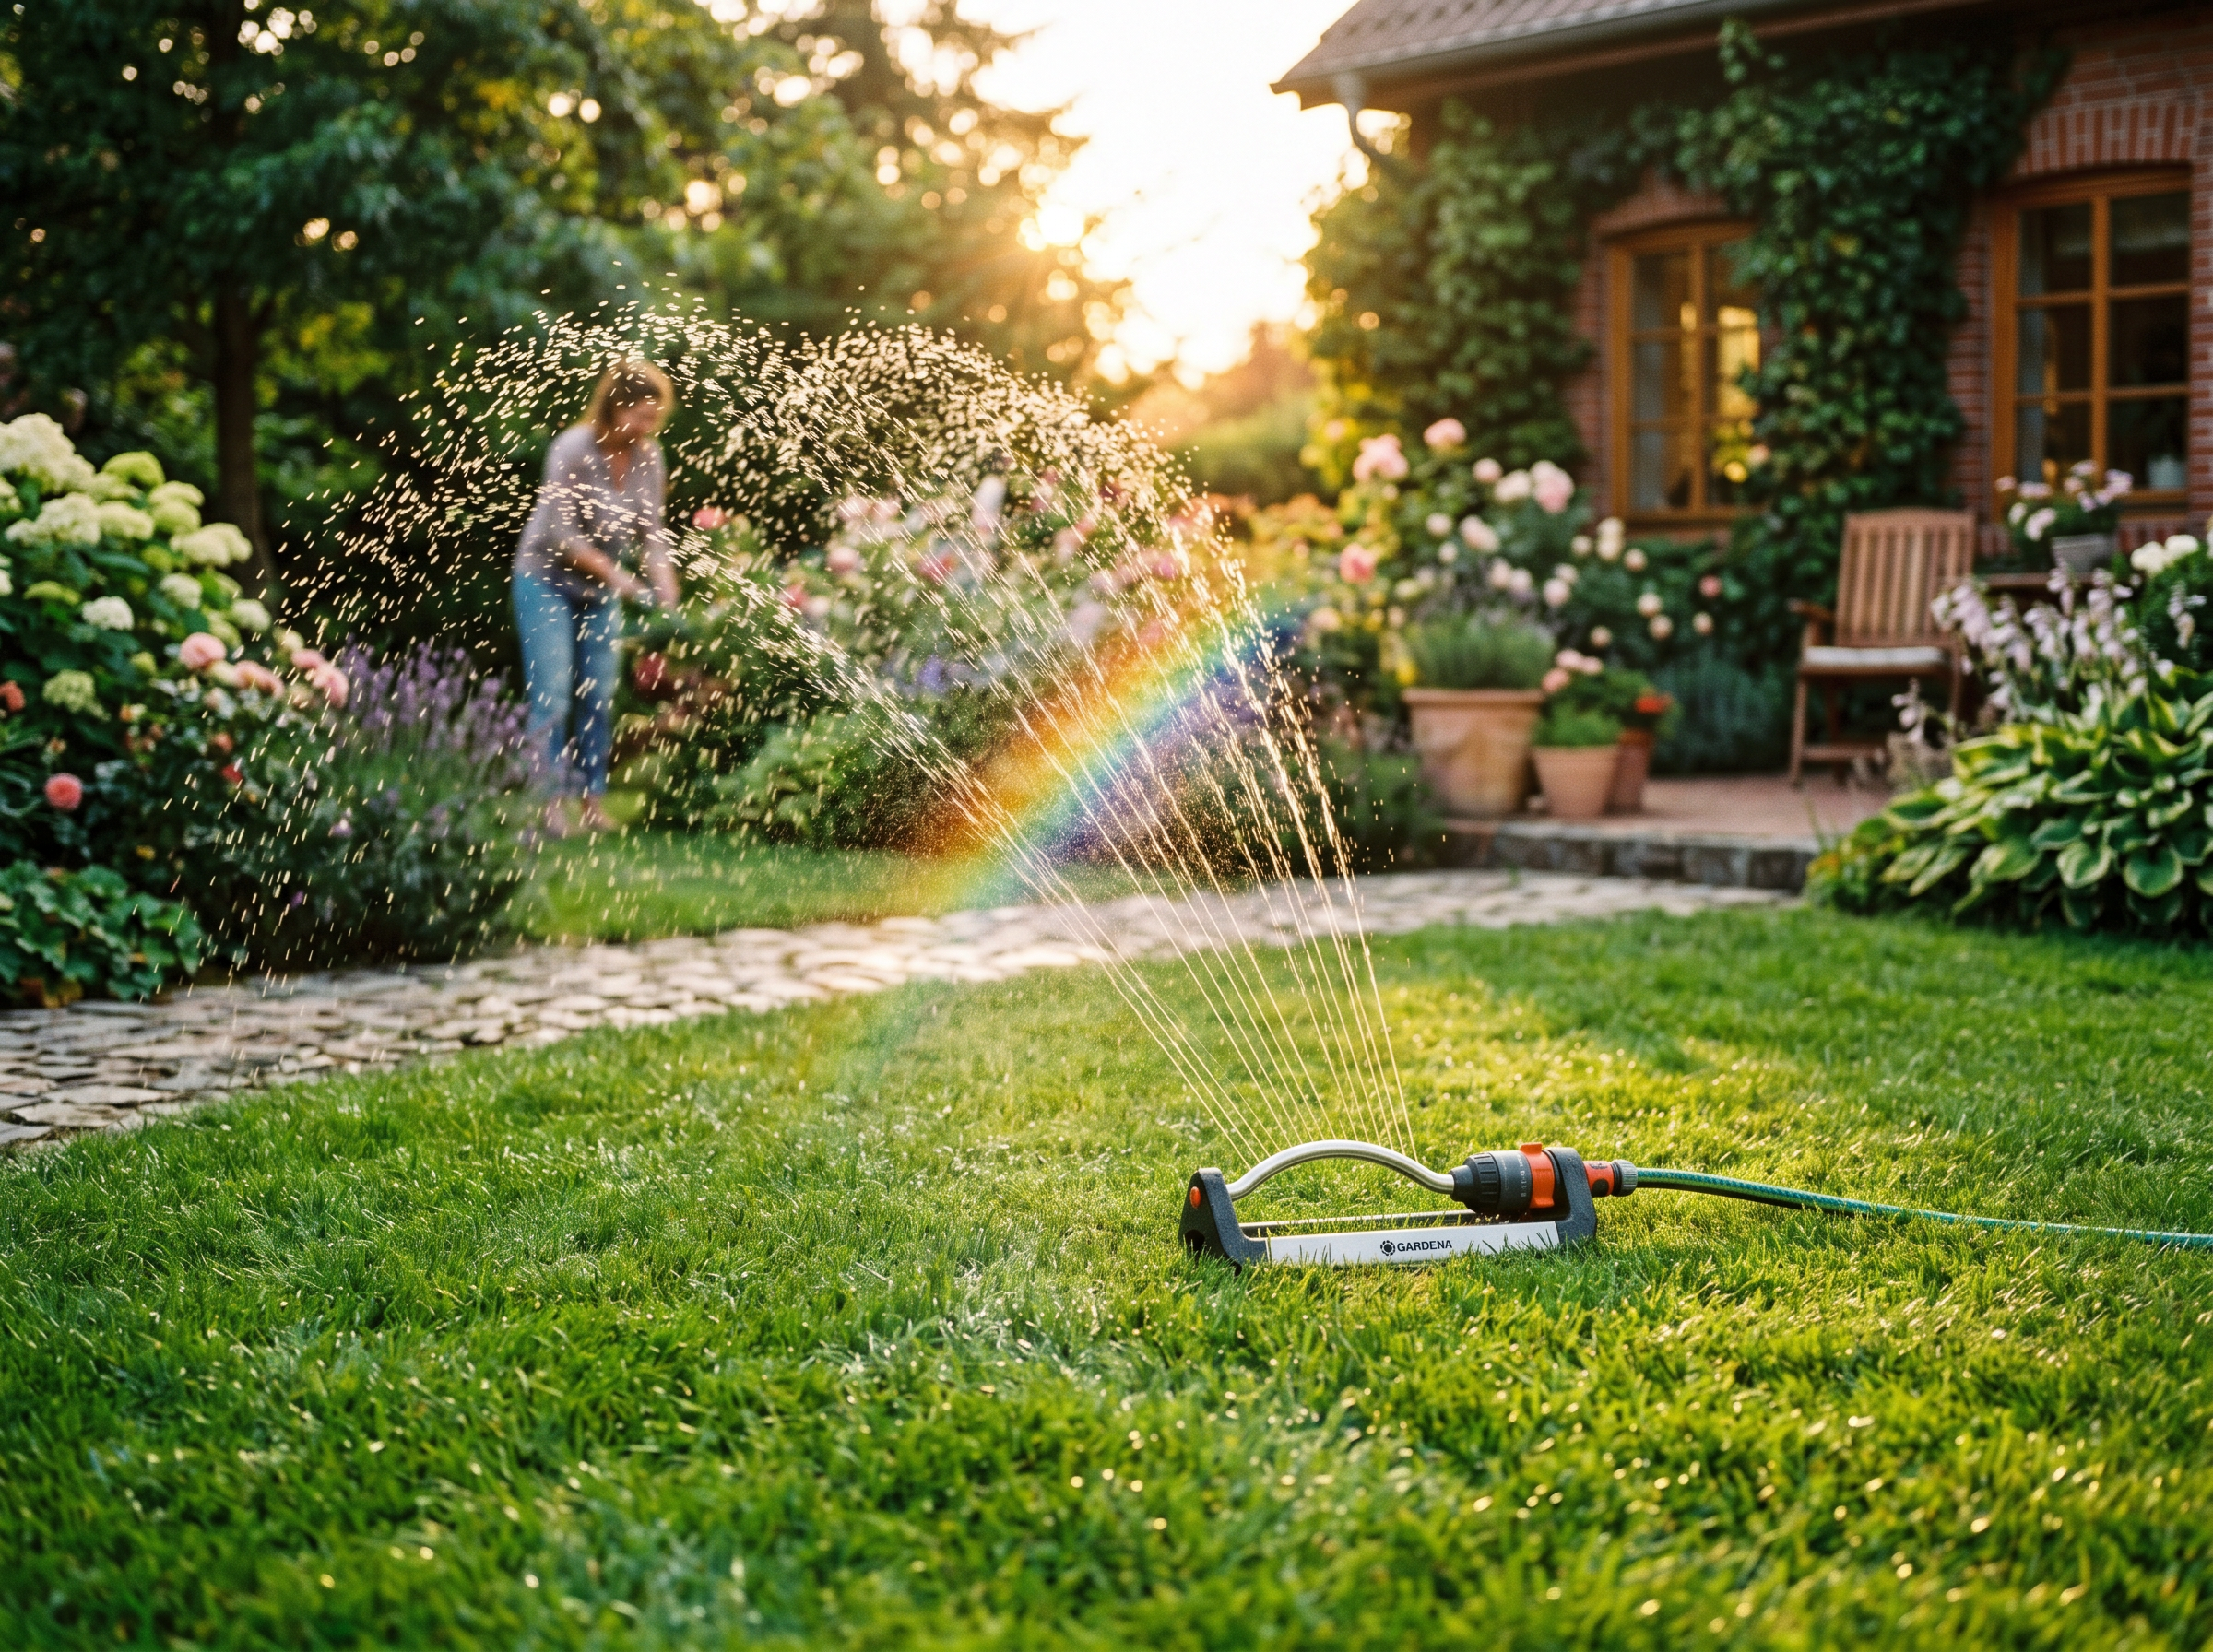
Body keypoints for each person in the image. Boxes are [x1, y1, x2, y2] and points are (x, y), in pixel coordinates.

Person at [513, 360, 680, 832]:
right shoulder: (571, 449)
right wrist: (623, 579)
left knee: (598, 696)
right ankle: (548, 806)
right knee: (554, 696)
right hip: (544, 581)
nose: (649, 427)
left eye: (655, 418)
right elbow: (564, 536)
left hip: (598, 593)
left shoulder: (649, 457)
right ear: (615, 407)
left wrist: (664, 581)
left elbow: (652, 533)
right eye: (642, 417)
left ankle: (591, 804)